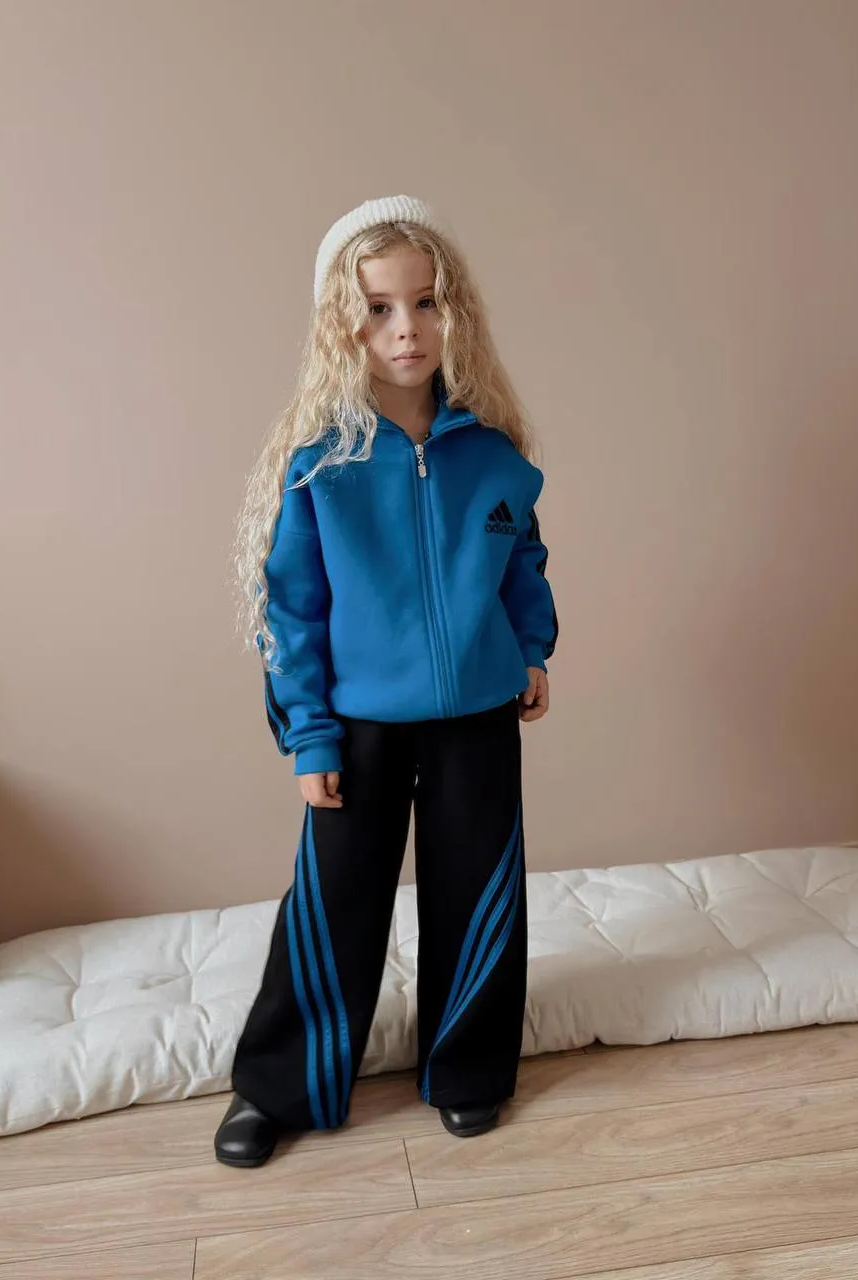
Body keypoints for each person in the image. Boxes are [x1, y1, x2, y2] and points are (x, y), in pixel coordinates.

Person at [215, 195, 559, 1168]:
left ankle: (469, 1071)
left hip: (479, 714)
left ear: (455, 312)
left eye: (424, 302)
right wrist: (311, 737)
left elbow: (522, 559)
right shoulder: (320, 464)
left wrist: (532, 649)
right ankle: (277, 1087)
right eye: (377, 308)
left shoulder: (492, 453)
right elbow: (292, 613)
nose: (405, 328)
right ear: (343, 323)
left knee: (479, 890)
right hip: (358, 724)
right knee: (334, 901)